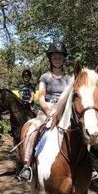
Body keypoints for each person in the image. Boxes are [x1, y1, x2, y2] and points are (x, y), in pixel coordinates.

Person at [18, 41, 71, 181]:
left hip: (65, 112)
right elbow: (41, 98)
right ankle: (27, 165)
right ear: (50, 58)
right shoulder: (45, 77)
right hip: (47, 110)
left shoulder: (69, 79)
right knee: (33, 130)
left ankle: (88, 164)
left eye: (60, 56)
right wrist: (49, 110)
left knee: (82, 129)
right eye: (54, 57)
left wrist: (61, 110)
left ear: (64, 58)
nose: (57, 59)